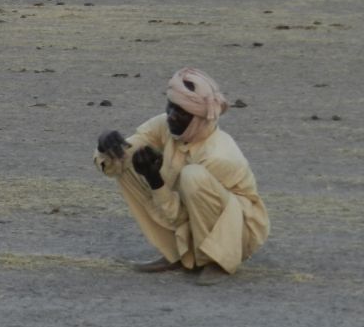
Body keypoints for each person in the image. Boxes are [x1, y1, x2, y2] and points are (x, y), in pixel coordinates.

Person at [93, 67, 269, 285]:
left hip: (238, 230)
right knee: (126, 163)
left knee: (192, 176)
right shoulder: (166, 124)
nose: (172, 116)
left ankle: (215, 260)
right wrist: (105, 145)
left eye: (182, 113)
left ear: (199, 118)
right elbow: (127, 149)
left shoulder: (218, 155)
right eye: (171, 107)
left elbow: (180, 216)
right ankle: (177, 252)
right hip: (186, 210)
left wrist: (155, 180)